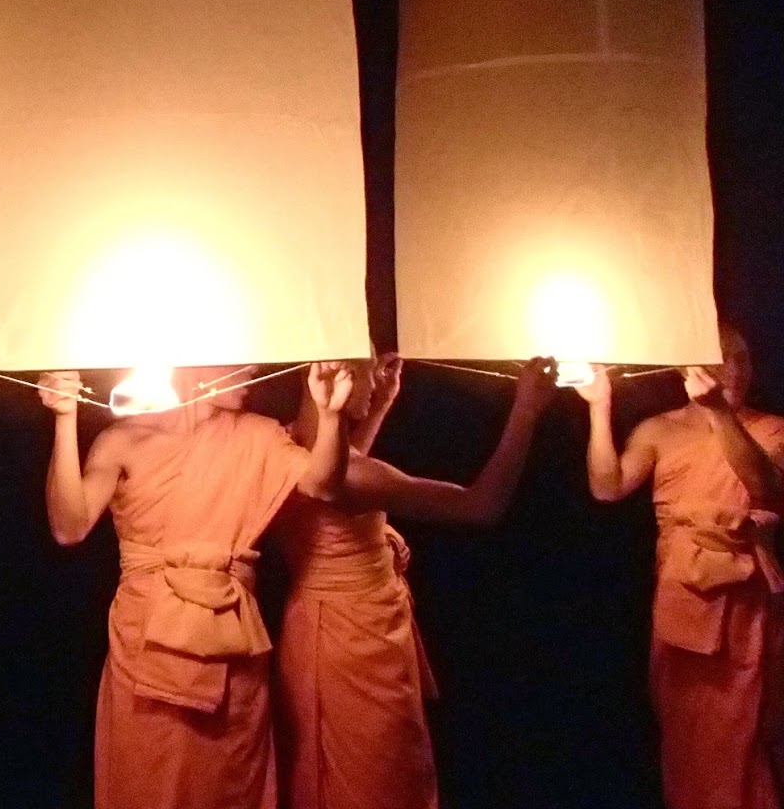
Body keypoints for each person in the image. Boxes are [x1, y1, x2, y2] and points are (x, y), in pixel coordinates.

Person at [38, 362, 354, 809]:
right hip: (146, 654)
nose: (253, 372)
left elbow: (323, 485)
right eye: (239, 362)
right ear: (196, 361)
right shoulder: (125, 439)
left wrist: (332, 417)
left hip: (232, 654)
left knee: (228, 792)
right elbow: (69, 526)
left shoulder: (258, 434)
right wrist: (65, 418)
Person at [273, 354, 558, 809]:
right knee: (378, 776)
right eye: (366, 369)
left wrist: (381, 404)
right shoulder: (354, 475)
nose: (373, 380)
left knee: (351, 768)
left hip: (322, 623)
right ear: (332, 376)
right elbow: (480, 505)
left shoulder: (286, 443)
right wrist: (527, 409)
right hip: (353, 637)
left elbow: (340, 472)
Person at [583, 324, 784, 809]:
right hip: (684, 605)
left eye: (739, 357)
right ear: (687, 366)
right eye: (718, 358)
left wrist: (719, 414)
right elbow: (607, 487)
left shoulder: (773, 429)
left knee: (751, 738)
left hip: (748, 604)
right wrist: (598, 406)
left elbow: (765, 488)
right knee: (692, 743)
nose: (730, 368)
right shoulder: (660, 429)